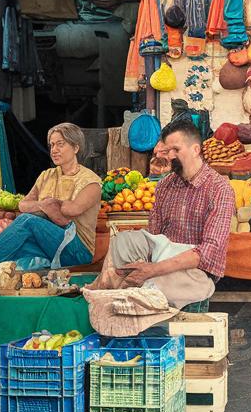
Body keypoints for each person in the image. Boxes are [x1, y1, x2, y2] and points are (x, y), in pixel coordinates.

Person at [99, 121, 235, 305]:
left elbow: (208, 252)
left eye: (176, 150)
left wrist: (154, 269)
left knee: (156, 286)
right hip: (160, 259)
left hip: (194, 272)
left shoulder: (219, 188)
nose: (170, 156)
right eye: (168, 150)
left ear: (195, 150)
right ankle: (115, 284)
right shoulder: (164, 185)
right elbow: (153, 235)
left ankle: (135, 289)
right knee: (124, 240)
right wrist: (145, 263)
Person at [0, 123, 102, 275]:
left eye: (60, 144)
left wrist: (47, 207)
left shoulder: (91, 181)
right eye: (51, 145)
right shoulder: (47, 175)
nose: (54, 150)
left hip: (76, 250)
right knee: (15, 244)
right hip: (48, 243)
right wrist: (44, 205)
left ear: (76, 148)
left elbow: (72, 209)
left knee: (28, 221)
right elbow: (23, 204)